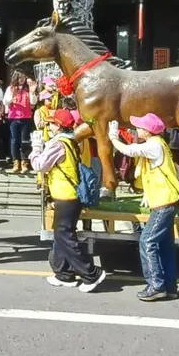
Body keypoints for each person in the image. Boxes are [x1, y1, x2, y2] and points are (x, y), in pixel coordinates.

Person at [30, 108, 107, 293]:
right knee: (61, 235)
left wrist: (35, 149)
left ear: (58, 126)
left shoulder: (58, 145)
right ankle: (63, 274)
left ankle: (91, 273)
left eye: (51, 123)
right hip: (70, 195)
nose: (48, 126)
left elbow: (39, 165)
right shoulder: (70, 141)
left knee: (65, 236)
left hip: (66, 196)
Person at [108, 113, 179, 301]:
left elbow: (129, 151)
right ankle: (170, 287)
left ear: (148, 131)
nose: (136, 129)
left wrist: (113, 138)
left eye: (139, 127)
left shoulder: (155, 145)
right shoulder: (157, 144)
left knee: (147, 241)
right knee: (164, 245)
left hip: (164, 202)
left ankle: (156, 286)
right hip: (166, 200)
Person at [4, 71, 37, 173]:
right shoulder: (10, 89)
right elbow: (5, 101)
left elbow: (33, 103)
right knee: (14, 140)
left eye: (23, 77)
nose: (22, 80)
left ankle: (24, 162)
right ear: (16, 78)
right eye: (19, 78)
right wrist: (12, 96)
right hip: (14, 117)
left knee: (25, 141)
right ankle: (15, 162)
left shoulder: (28, 89)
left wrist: (32, 92)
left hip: (25, 117)